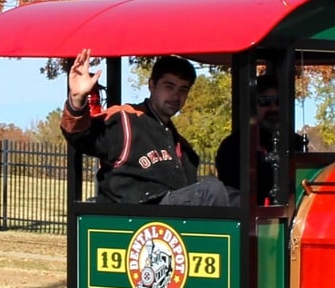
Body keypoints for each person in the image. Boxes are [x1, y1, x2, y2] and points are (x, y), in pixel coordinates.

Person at [61, 51, 230, 207]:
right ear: (152, 85)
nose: (176, 96)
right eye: (169, 87)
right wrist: (77, 100)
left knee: (235, 197)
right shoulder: (125, 120)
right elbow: (81, 136)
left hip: (170, 228)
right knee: (212, 190)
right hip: (132, 219)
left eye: (183, 90)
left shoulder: (184, 149)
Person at [214, 68, 309, 207]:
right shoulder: (233, 147)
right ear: (252, 106)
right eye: (265, 102)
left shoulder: (297, 143)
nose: (273, 108)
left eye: (279, 101)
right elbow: (233, 196)